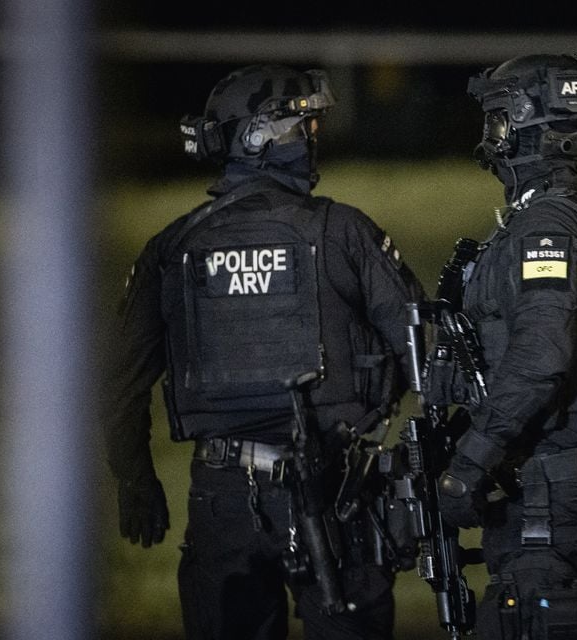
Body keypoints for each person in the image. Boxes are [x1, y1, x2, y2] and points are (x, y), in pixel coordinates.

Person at [99, 63, 425, 640]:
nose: (314, 143)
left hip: (224, 498)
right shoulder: (342, 231)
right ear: (261, 136)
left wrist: (135, 479)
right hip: (337, 493)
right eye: (305, 129)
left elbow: (119, 380)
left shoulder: (173, 247)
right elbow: (424, 348)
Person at [433, 54, 577, 639]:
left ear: (522, 123)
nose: (491, 136)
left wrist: (470, 463)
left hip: (551, 497)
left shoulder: (548, 227)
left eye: (497, 119)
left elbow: (541, 355)